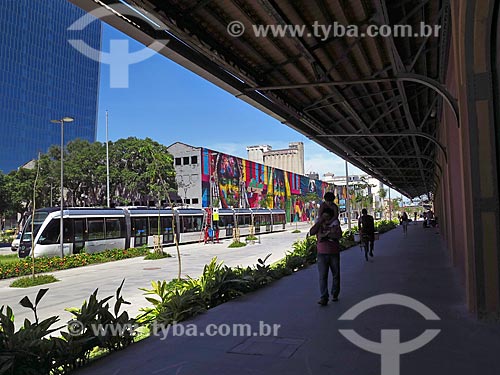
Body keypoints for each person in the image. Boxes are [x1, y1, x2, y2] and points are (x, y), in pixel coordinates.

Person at [309, 206, 341, 306]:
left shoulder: (335, 224)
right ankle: (324, 297)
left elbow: (339, 235)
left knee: (335, 274)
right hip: (322, 253)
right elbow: (311, 232)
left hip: (333, 253)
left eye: (327, 217)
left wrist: (325, 235)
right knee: (323, 276)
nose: (325, 220)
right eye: (324, 217)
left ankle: (335, 293)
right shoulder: (319, 224)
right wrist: (319, 222)